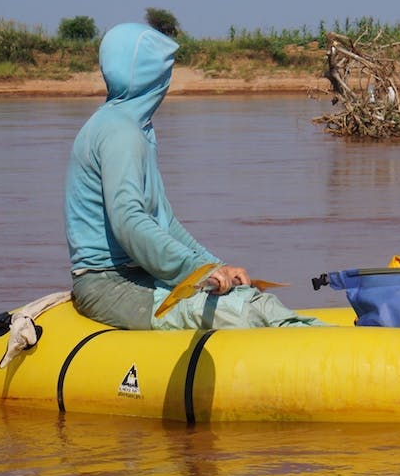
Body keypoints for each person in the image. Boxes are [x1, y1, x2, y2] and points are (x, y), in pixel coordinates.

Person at [64, 23, 326, 330]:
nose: (168, 80)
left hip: (141, 273)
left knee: (248, 297)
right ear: (149, 75)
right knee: (245, 313)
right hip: (109, 286)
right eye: (166, 70)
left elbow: (164, 223)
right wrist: (195, 272)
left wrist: (215, 267)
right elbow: (129, 223)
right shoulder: (120, 132)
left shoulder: (132, 128)